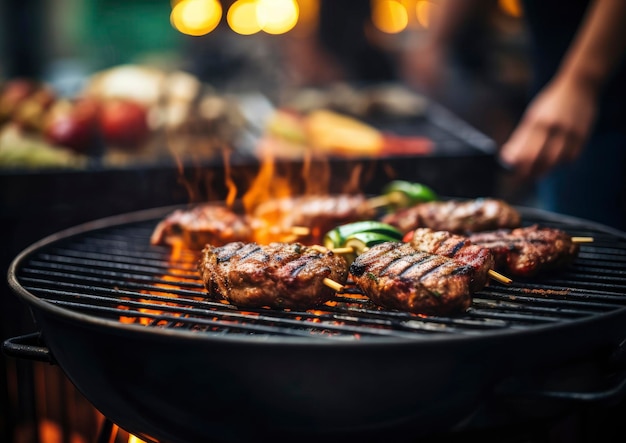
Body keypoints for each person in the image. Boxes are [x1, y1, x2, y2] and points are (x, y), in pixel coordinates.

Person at [401, 0, 626, 231]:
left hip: (611, 79)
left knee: (594, 218)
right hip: (553, 57)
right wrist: (434, 41)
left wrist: (581, 82)